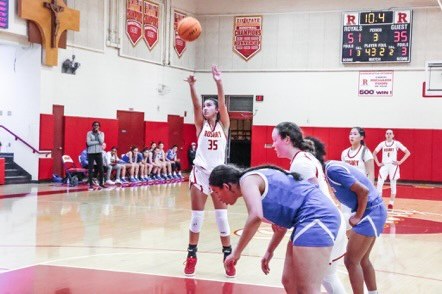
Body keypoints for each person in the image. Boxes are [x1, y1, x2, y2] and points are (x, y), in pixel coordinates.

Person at [209, 165, 341, 293]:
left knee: (309, 288)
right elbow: (280, 227)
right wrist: (269, 251)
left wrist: (236, 252)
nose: (218, 197)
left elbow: (255, 216)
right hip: (306, 219)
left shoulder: (247, 181)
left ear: (226, 186)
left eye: (216, 192)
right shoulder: (256, 188)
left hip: (317, 216)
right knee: (289, 280)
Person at [271, 122, 347, 294]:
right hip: (324, 220)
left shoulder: (301, 164)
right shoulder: (303, 159)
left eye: (275, 140)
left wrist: (281, 219)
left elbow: (312, 200)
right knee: (297, 279)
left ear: (287, 139)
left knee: (313, 282)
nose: (273, 144)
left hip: (322, 222)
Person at [184, 65, 233, 277]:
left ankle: (228, 257)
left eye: (209, 106)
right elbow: (195, 105)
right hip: (200, 173)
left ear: (216, 110)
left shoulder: (224, 125)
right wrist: (193, 87)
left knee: (222, 219)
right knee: (197, 218)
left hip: (219, 175)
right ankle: (191, 256)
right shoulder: (200, 126)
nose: (205, 108)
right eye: (205, 106)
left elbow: (222, 103)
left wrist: (219, 82)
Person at [325, 160, 387, 294]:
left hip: (371, 211)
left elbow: (363, 192)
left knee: (351, 261)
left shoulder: (332, 170)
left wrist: (358, 216)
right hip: (370, 210)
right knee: (363, 260)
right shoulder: (330, 170)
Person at [373, 129, 411, 210]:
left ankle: (391, 202)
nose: (388, 135)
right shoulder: (382, 144)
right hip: (384, 165)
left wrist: (400, 162)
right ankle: (379, 202)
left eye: (390, 133)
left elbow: (408, 152)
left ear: (393, 135)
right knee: (379, 183)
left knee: (393, 183)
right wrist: (378, 163)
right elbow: (374, 153)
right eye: (387, 133)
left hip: (393, 165)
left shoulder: (396, 143)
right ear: (385, 135)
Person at [86, 121, 105, 190]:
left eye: (97, 125)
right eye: (94, 125)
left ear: (99, 126)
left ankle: (101, 183)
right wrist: (97, 142)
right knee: (90, 169)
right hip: (91, 153)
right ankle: (90, 184)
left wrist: (98, 134)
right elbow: (88, 143)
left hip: (98, 152)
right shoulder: (89, 133)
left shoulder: (101, 133)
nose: (96, 126)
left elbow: (102, 142)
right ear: (92, 126)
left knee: (101, 169)